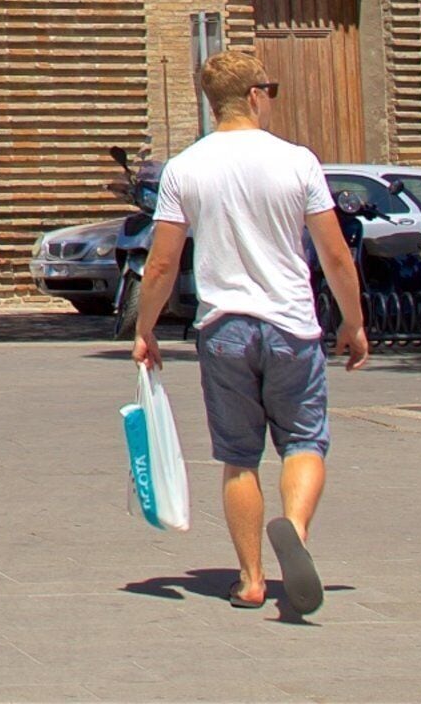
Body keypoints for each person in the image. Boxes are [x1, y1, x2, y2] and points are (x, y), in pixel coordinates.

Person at [126, 48, 372, 615]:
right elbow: (335, 255)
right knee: (304, 441)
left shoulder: (185, 168)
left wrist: (145, 329)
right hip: (291, 325)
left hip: (224, 328)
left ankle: (252, 579)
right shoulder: (297, 162)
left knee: (239, 457)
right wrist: (354, 322)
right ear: (256, 95)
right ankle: (295, 530)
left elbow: (161, 264)